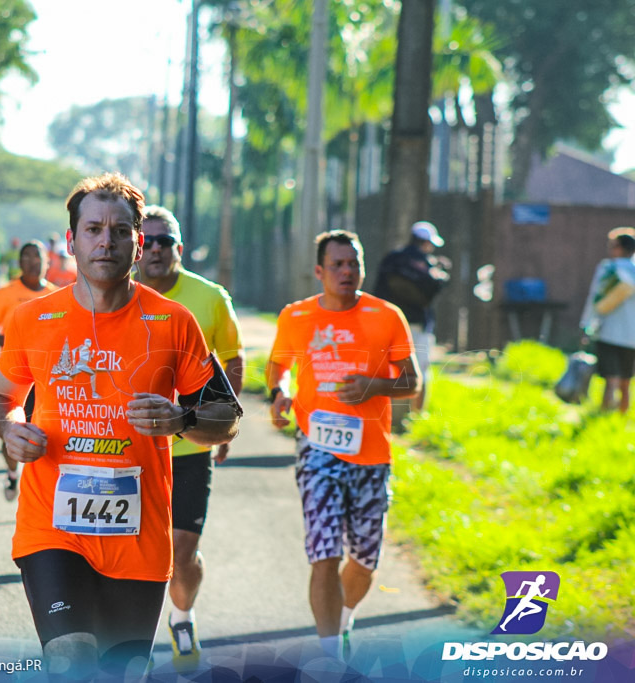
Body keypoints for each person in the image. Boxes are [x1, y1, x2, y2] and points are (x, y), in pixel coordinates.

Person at [0, 172, 242, 678]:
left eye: (120, 231)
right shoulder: (33, 319)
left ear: (138, 243)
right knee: (70, 657)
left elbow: (226, 417)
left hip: (139, 538)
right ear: (72, 241)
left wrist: (182, 418)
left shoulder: (173, 322)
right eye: (94, 229)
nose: (106, 241)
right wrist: (10, 427)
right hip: (52, 530)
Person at [265, 230, 420, 660]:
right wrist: (279, 393)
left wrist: (375, 385)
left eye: (354, 263)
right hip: (318, 449)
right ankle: (328, 655)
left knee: (365, 560)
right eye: (338, 264)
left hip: (371, 455)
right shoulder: (296, 317)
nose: (347, 271)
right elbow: (278, 366)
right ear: (320, 271)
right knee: (324, 551)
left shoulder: (386, 316)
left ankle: (345, 615)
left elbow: (412, 381)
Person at [135, 205, 244, 667]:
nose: (157, 248)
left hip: (188, 447)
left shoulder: (209, 297)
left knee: (182, 554)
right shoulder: (116, 293)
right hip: (129, 450)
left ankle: (181, 616)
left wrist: (220, 425)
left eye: (167, 241)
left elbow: (234, 361)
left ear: (179, 247)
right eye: (150, 240)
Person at [0, 240, 57, 501]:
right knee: (14, 430)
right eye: (26, 256)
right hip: (17, 375)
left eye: (38, 256)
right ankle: (13, 474)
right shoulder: (5, 294)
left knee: (50, 433)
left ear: (48, 262)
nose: (32, 261)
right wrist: (18, 341)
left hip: (50, 377)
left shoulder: (59, 296)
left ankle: (43, 491)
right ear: (20, 263)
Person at [373, 221, 450, 411]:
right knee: (420, 370)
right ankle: (416, 415)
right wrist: (441, 272)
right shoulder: (428, 265)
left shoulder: (391, 259)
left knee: (387, 370)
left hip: (387, 323)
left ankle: (388, 414)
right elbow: (434, 288)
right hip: (416, 325)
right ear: (425, 243)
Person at [580, 226, 635, 413]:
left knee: (610, 378)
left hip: (609, 332)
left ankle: (604, 415)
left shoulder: (608, 268)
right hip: (632, 337)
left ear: (619, 248)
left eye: (612, 245)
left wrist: (586, 326)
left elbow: (594, 299)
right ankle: (621, 419)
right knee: (626, 381)